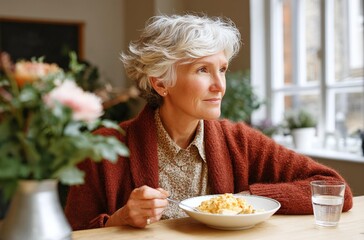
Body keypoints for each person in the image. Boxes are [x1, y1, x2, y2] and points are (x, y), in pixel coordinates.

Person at [65, 14, 353, 230]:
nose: (219, 85)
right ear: (161, 83)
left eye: (223, 69)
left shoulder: (239, 141)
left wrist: (243, 201)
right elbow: (72, 233)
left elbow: (333, 188)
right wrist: (121, 218)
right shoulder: (102, 150)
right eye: (203, 69)